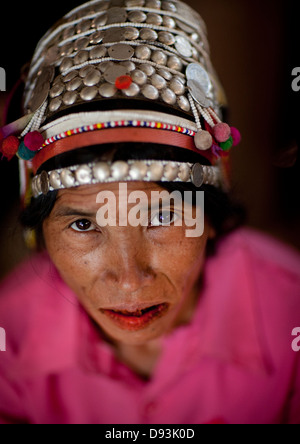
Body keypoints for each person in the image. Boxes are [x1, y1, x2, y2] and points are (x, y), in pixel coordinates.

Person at [0, 0, 299, 425]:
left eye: (161, 217)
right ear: (41, 232)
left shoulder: (292, 312)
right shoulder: (9, 334)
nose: (128, 278)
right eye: (83, 224)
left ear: (212, 216)